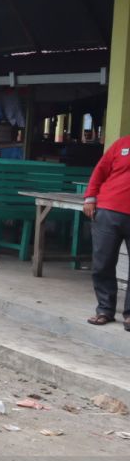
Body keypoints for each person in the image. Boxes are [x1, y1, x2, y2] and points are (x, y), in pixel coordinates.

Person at [83, 133, 130, 329]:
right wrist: (90, 197)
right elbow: (101, 169)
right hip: (109, 209)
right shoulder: (122, 144)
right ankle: (104, 309)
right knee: (102, 262)